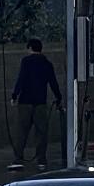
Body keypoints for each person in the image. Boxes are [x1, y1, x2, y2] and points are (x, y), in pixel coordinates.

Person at [10, 39, 62, 171]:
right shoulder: (47, 64)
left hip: (25, 101)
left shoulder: (26, 62)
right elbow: (53, 82)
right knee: (41, 132)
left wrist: (14, 95)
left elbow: (21, 79)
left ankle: (18, 159)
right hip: (40, 102)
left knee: (22, 132)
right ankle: (41, 160)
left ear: (30, 48)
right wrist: (58, 97)